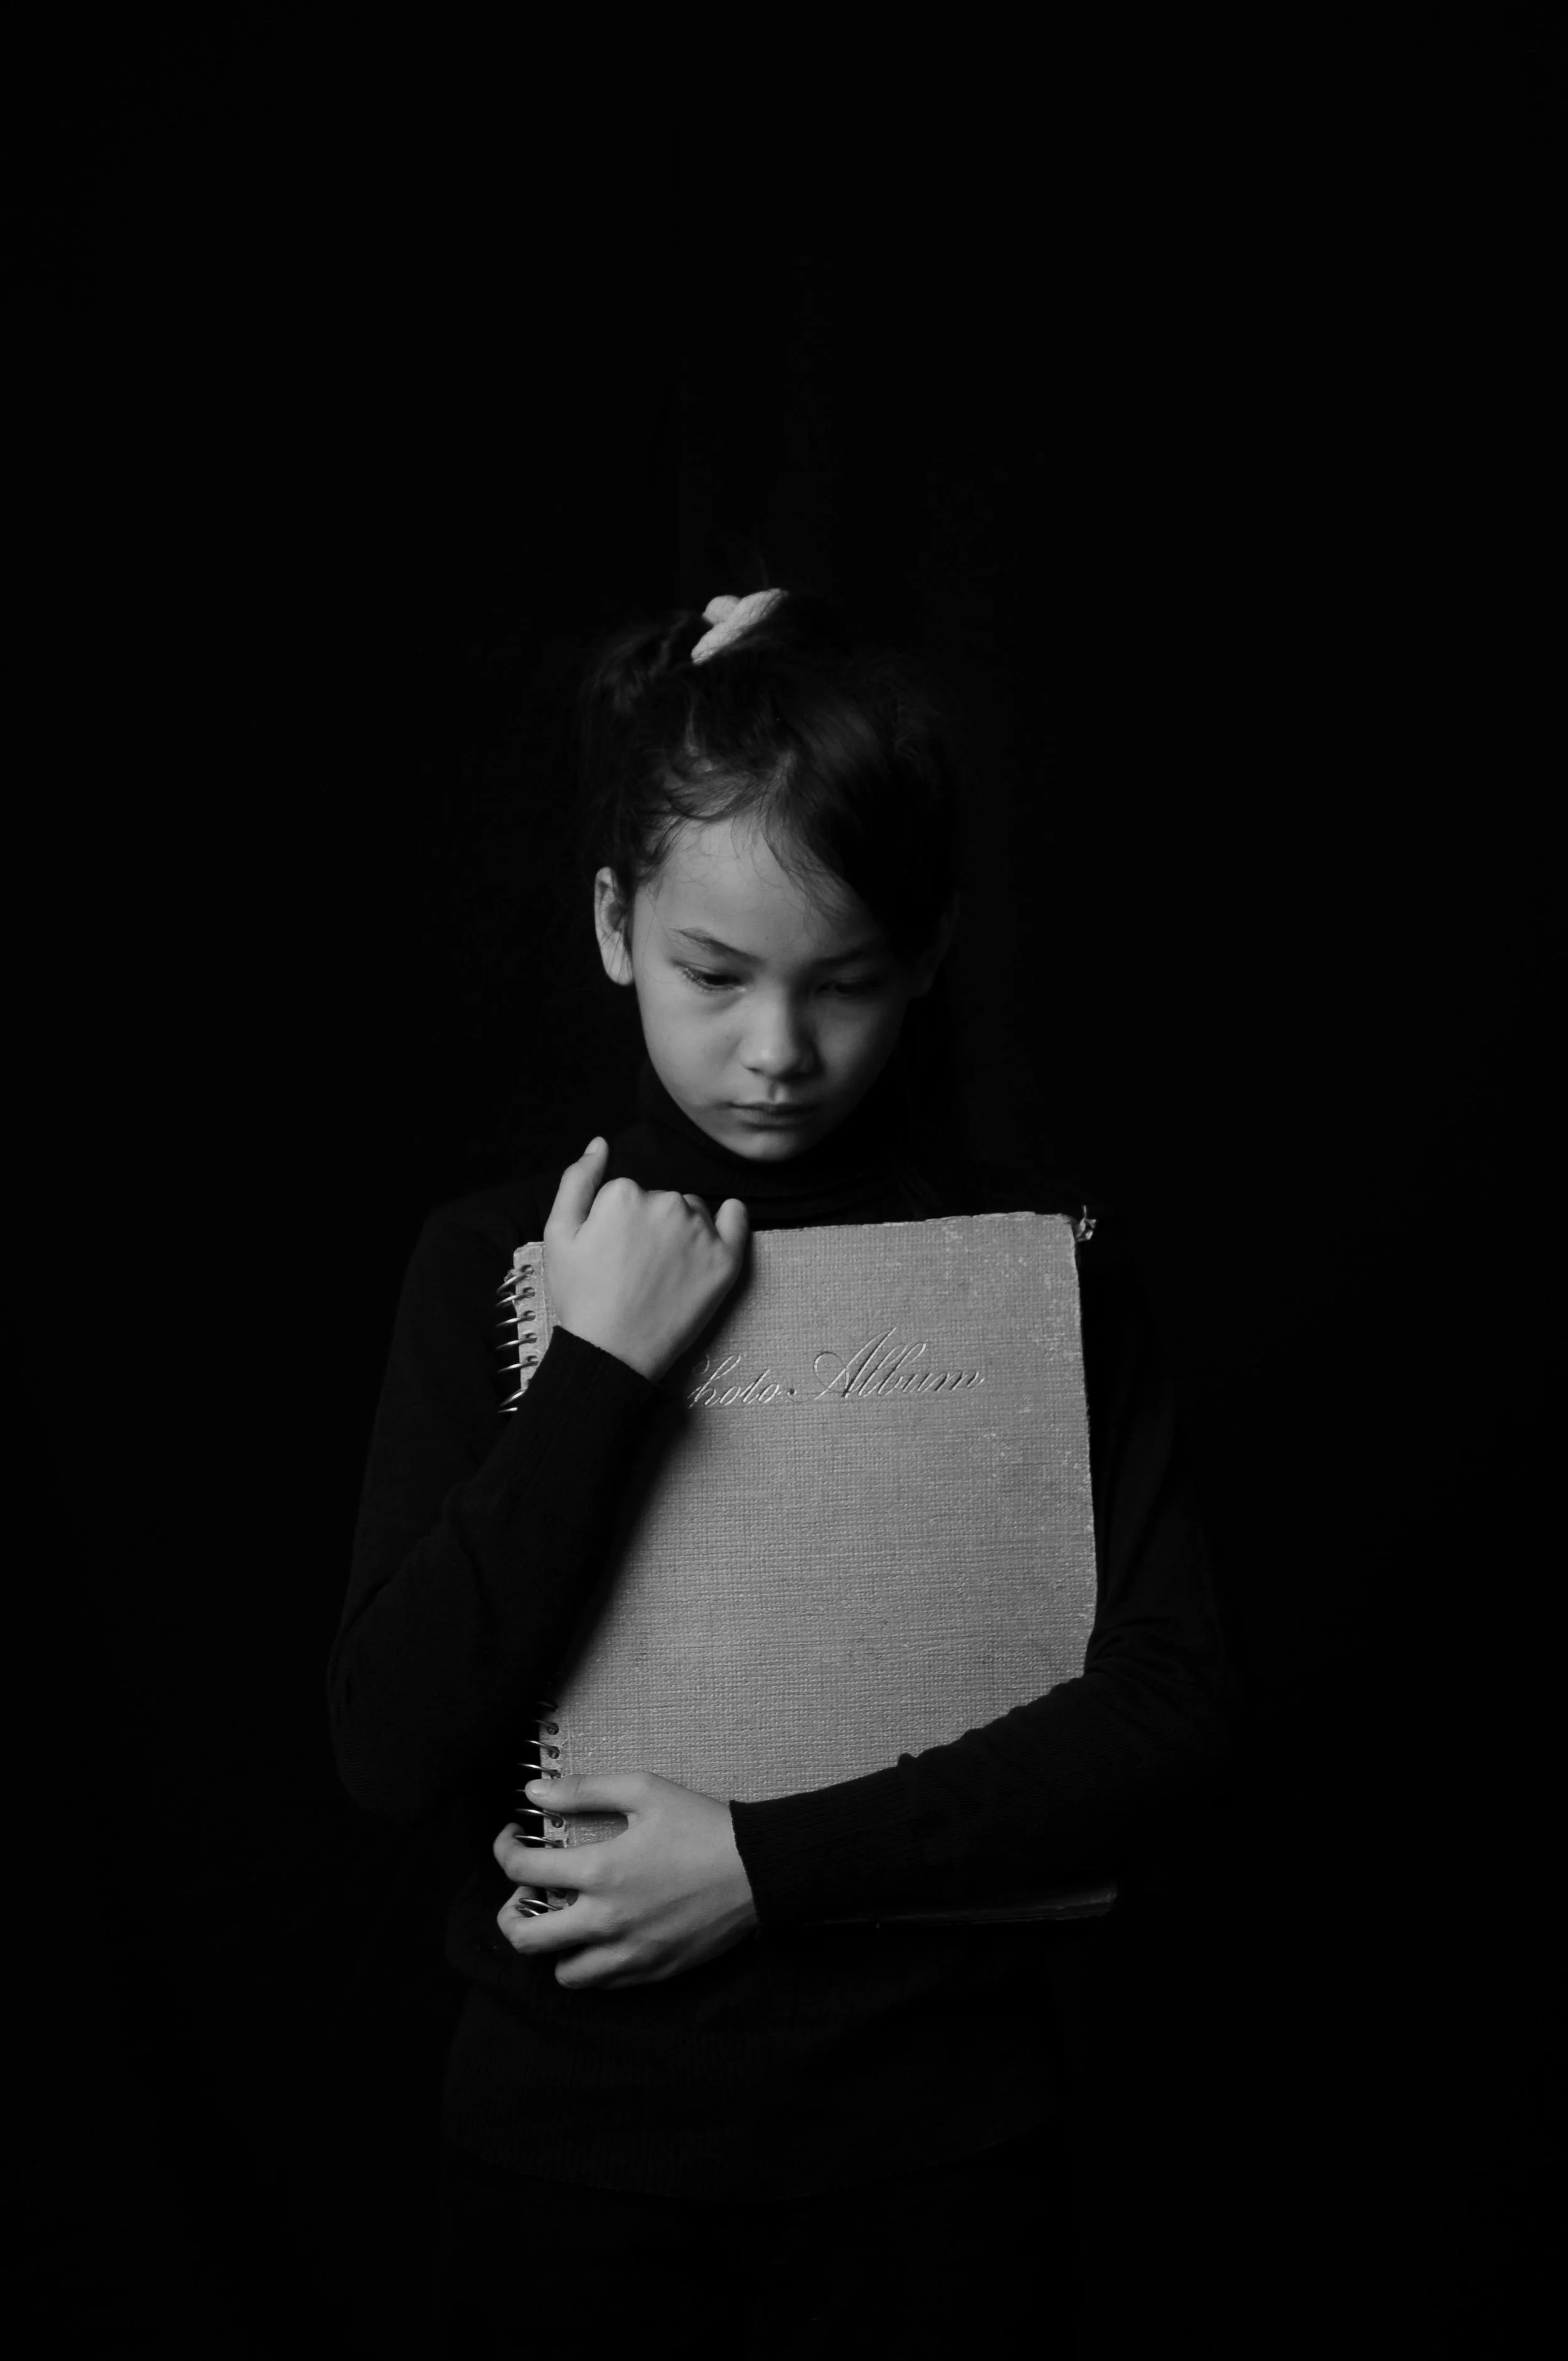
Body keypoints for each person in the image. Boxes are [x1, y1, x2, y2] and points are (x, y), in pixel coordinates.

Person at [330, 586, 1235, 2358]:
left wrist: (762, 1862)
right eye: (714, 973)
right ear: (613, 924)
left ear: (928, 949)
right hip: (568, 2169)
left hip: (938, 2167)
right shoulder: (498, 1261)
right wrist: (595, 1367)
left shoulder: (1030, 1263)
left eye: (845, 981)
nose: (776, 1049)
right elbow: (386, 1739)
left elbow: (1176, 1701)